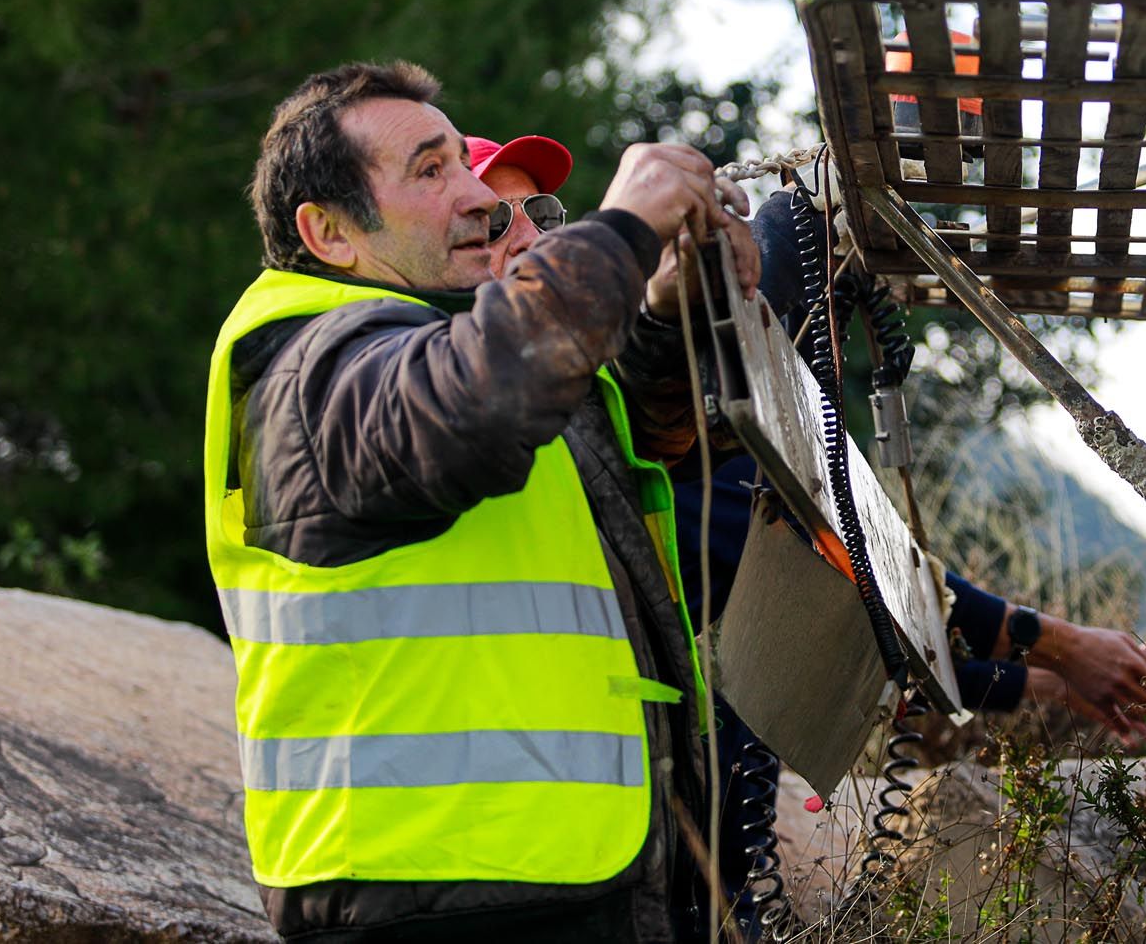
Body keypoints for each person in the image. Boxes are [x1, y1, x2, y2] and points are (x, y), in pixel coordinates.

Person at [470, 143, 1146, 925]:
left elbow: (845, 624)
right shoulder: (596, 440)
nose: (530, 237)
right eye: (494, 221)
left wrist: (1043, 680)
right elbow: (865, 582)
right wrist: (1060, 645)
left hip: (692, 873)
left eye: (542, 213)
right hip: (639, 879)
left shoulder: (655, 430)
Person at [204, 61, 757, 944]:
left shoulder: (436, 340)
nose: (481, 197)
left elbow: (648, 440)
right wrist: (621, 231)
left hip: (562, 872)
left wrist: (666, 301)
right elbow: (473, 402)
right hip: (426, 890)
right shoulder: (305, 365)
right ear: (331, 231)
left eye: (465, 162)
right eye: (431, 170)